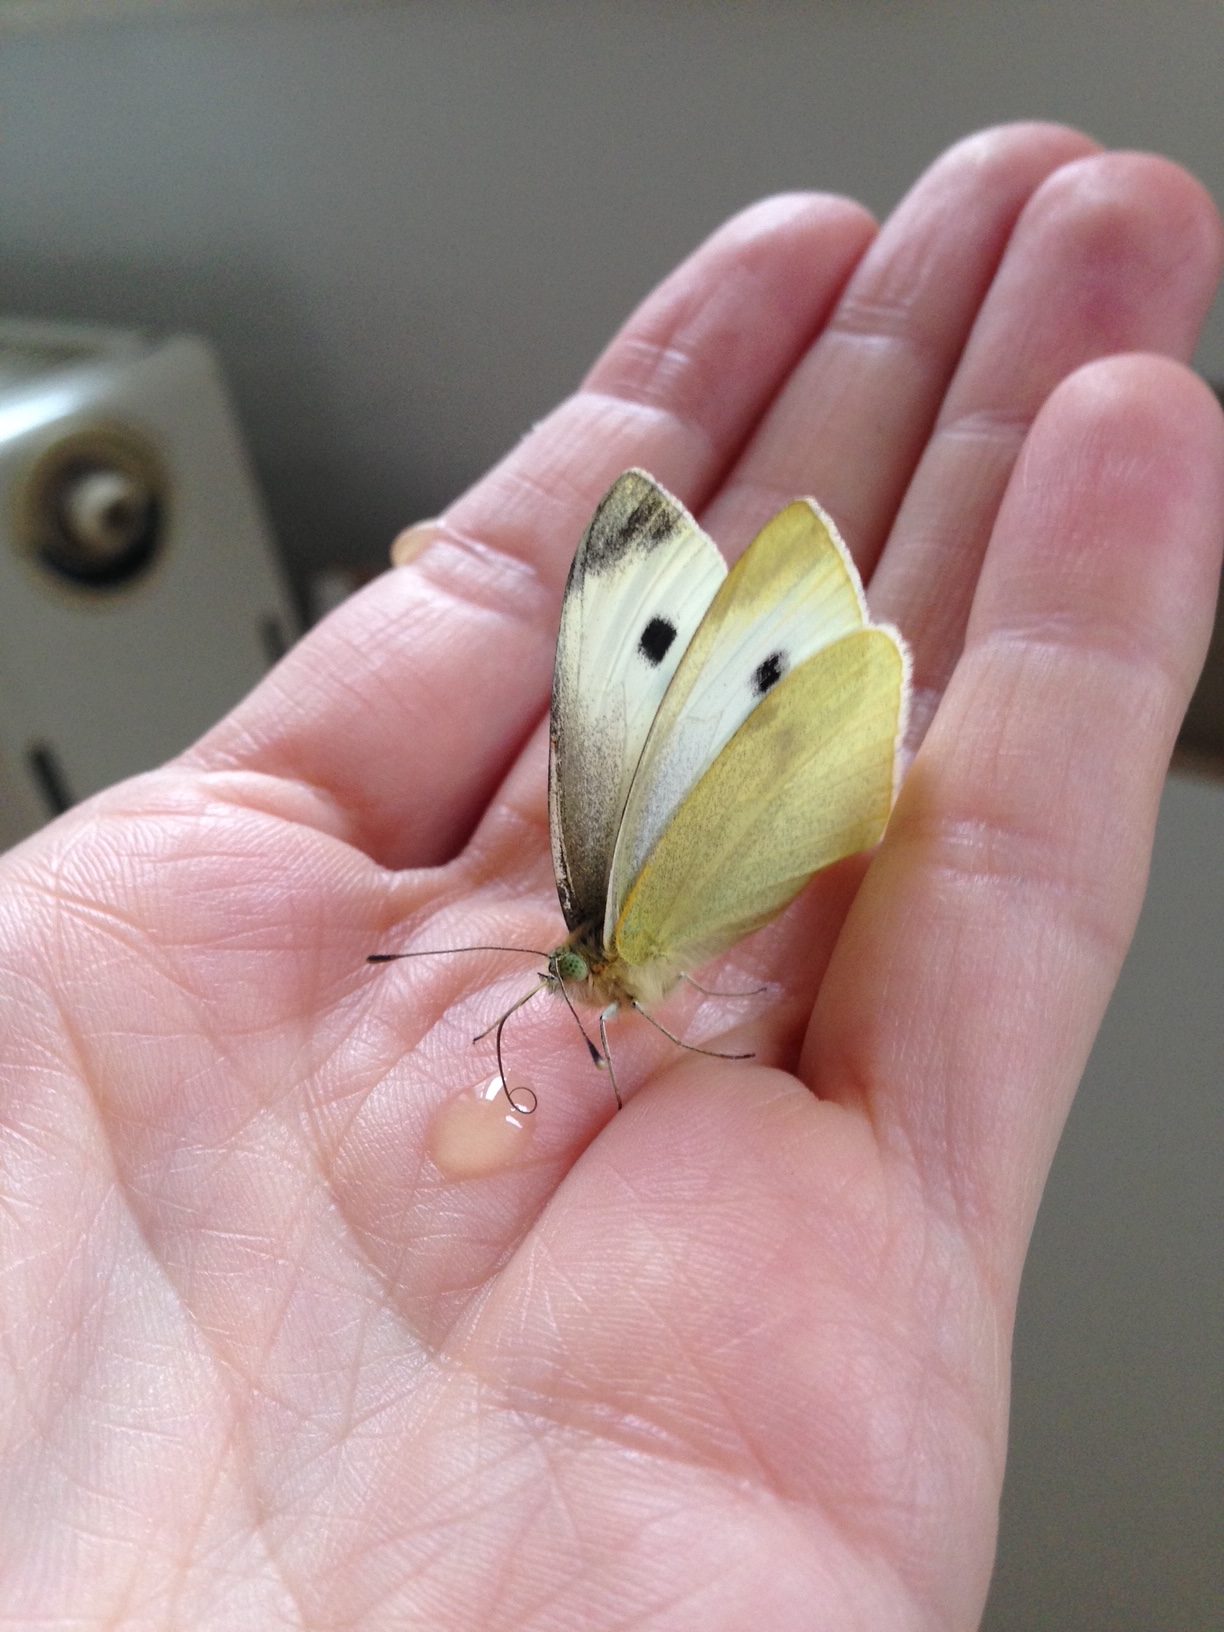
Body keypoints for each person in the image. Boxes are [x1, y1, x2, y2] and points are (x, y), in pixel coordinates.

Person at [1, 123, 1220, 1628]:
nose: (559, 981)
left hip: (803, 761)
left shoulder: (608, 925)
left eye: (563, 978)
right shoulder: (593, 936)